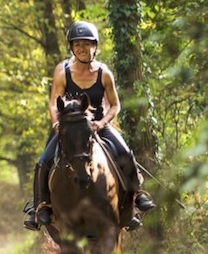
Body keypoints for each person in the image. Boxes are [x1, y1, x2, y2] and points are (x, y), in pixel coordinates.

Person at [23, 20, 155, 231]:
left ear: (95, 46)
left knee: (125, 153)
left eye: (87, 44)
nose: (82, 48)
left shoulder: (104, 74)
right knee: (44, 160)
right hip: (69, 127)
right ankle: (40, 206)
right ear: (72, 48)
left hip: (98, 126)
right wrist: (57, 123)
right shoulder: (62, 71)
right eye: (77, 45)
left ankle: (136, 197)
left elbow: (115, 105)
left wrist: (101, 123)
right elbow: (53, 101)